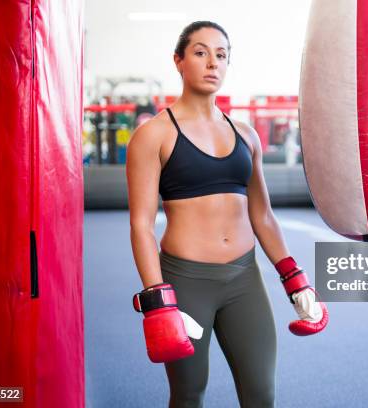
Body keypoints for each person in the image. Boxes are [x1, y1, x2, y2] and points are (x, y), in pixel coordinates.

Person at [126, 21, 329, 408]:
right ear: (179, 61)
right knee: (188, 395)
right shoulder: (153, 135)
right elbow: (140, 225)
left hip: (244, 279)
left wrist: (294, 279)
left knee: (262, 393)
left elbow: (263, 215)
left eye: (221, 55)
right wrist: (159, 301)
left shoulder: (246, 135)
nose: (212, 63)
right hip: (186, 282)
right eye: (200, 52)